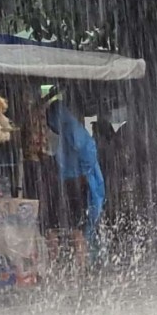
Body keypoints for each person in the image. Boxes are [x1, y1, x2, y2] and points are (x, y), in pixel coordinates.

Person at [46, 93, 106, 254]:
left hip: (72, 184)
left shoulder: (69, 127)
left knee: (60, 229)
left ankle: (63, 268)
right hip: (73, 183)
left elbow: (85, 152)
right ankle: (80, 269)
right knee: (74, 228)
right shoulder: (69, 127)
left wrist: (80, 173)